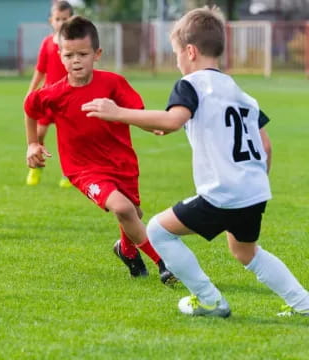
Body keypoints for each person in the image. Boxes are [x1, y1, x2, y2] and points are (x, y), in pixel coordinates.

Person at [82, 6, 309, 317]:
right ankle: (304, 304)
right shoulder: (240, 92)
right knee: (246, 252)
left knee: (159, 231)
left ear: (189, 51)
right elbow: (265, 145)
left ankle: (210, 301)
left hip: (224, 192)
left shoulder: (191, 84)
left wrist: (117, 112)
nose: (177, 61)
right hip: (254, 190)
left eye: (176, 54)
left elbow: (174, 120)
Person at [24, 16, 176, 285]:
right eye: (69, 55)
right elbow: (30, 107)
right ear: (60, 56)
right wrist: (33, 143)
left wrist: (152, 126)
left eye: (82, 54)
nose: (76, 60)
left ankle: (126, 250)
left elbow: (135, 113)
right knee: (123, 208)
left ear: (97, 54)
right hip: (82, 169)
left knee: (134, 214)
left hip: (121, 162)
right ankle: (164, 263)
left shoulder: (113, 83)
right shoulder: (54, 93)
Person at [25, 0, 73, 188]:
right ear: (51, 20)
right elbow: (40, 69)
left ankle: (68, 174)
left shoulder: (73, 44)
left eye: (65, 19)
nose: (61, 23)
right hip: (48, 97)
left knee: (68, 138)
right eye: (58, 19)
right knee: (38, 133)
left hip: (68, 98)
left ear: (71, 20)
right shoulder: (47, 43)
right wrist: (31, 90)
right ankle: (36, 167)